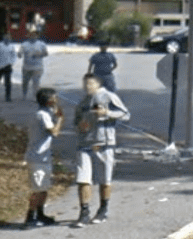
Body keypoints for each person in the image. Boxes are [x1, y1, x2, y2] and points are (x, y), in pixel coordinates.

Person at [72, 73, 129, 227]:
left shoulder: (109, 97)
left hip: (103, 143)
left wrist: (107, 113)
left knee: (105, 179)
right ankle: (84, 212)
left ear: (98, 84)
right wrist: (79, 125)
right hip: (84, 144)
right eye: (85, 84)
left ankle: (103, 209)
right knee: (83, 179)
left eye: (90, 84)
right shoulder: (83, 101)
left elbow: (125, 114)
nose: (87, 87)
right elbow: (76, 121)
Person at [23, 87, 63, 228]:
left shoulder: (45, 113)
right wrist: (59, 120)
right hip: (37, 157)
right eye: (54, 98)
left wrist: (56, 111)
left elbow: (54, 112)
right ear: (48, 101)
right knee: (37, 189)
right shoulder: (42, 115)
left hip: (44, 157)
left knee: (44, 188)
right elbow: (54, 132)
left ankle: (40, 213)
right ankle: (30, 217)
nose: (57, 100)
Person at [19, 31, 50, 100]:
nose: (33, 37)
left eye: (34, 36)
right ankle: (24, 94)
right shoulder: (24, 44)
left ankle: (35, 97)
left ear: (37, 36)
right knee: (25, 82)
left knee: (36, 83)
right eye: (31, 36)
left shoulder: (41, 44)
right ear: (28, 36)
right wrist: (19, 54)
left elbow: (46, 53)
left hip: (38, 67)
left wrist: (40, 54)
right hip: (26, 67)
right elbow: (20, 52)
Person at [0, 34, 18, 101]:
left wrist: (12, 63)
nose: (7, 40)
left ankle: (8, 97)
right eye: (6, 38)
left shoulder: (12, 46)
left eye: (9, 38)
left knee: (8, 83)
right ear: (3, 38)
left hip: (7, 66)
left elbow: (14, 56)